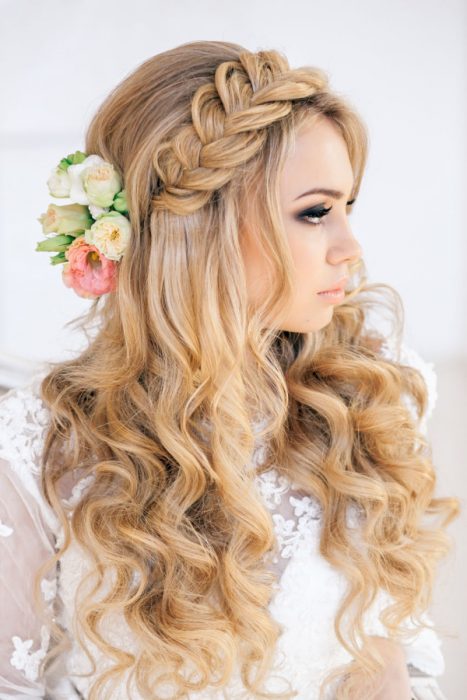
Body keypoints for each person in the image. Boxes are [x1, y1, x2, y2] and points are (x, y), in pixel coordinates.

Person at [0, 40, 459, 700]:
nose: (350, 249)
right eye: (314, 212)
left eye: (347, 207)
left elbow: (395, 663)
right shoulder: (41, 444)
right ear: (200, 231)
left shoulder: (376, 391)